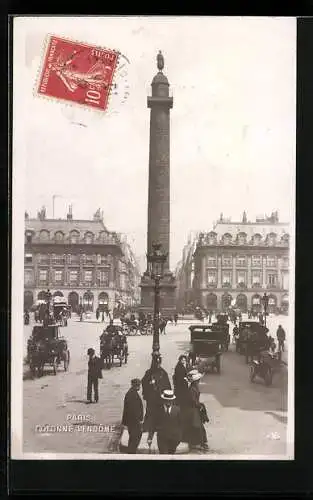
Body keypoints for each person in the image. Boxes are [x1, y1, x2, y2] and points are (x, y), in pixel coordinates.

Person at [142, 353, 171, 445]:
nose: (158, 365)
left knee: (160, 411)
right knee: (150, 411)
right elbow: (144, 382)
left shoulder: (163, 372)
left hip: (160, 397)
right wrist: (150, 384)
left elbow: (167, 384)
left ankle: (159, 425)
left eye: (159, 363)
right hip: (151, 397)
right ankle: (148, 426)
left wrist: (164, 392)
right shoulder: (149, 373)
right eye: (156, 363)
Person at [185, 369, 209, 451]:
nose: (199, 381)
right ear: (195, 381)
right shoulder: (192, 389)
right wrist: (199, 405)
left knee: (197, 426)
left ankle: (198, 442)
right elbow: (193, 401)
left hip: (195, 409)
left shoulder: (194, 387)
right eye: (198, 380)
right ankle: (200, 443)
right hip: (192, 410)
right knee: (197, 426)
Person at [155, 390, 182, 454]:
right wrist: (150, 437)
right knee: (164, 455)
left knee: (171, 455)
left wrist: (179, 438)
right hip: (162, 439)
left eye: (170, 400)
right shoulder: (158, 410)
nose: (168, 402)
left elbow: (180, 425)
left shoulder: (177, 410)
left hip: (174, 439)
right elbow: (153, 423)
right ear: (163, 400)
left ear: (173, 400)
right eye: (166, 400)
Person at [121, 379, 144, 454]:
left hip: (133, 422)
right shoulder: (132, 395)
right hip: (134, 422)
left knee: (134, 438)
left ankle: (131, 452)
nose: (139, 386)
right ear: (134, 386)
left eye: (139, 385)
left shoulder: (132, 393)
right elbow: (132, 411)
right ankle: (131, 453)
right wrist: (138, 421)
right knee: (135, 438)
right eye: (138, 385)